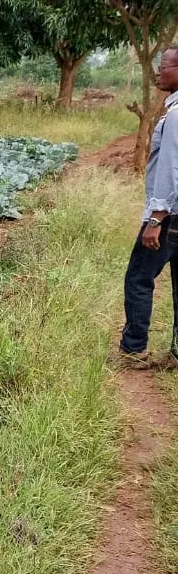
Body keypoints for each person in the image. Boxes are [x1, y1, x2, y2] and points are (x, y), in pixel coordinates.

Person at [117, 46, 178, 369]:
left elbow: (169, 168)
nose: (158, 71)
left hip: (168, 217)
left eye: (164, 65)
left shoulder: (176, 115)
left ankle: (133, 349)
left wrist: (156, 218)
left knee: (139, 278)